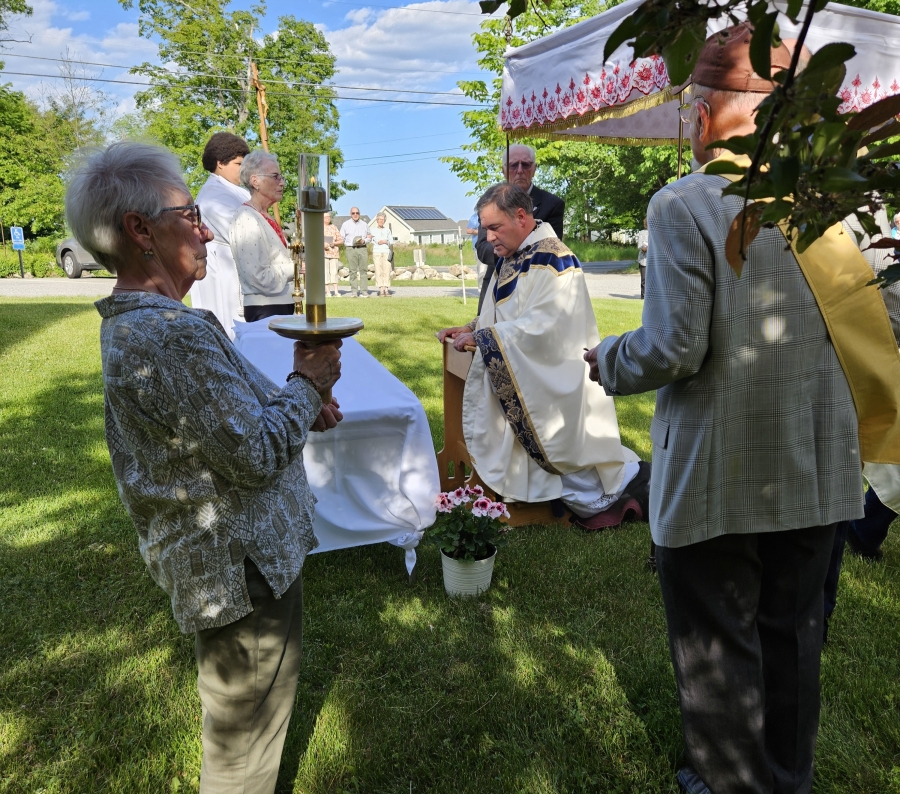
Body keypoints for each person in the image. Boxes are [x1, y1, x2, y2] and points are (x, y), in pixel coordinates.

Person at [587, 23, 900, 794]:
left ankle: (729, 782)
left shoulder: (686, 203)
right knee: (793, 640)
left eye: (693, 103)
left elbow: (672, 350)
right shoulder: (832, 207)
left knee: (719, 649)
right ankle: (787, 779)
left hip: (720, 476)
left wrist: (606, 360)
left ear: (707, 111)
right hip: (820, 466)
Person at [66, 141, 343, 794]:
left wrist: (294, 404)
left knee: (244, 730)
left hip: (226, 567)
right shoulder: (170, 335)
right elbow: (248, 456)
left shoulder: (148, 326)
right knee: (243, 753)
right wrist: (308, 383)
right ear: (140, 231)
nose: (205, 226)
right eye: (189, 213)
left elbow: (225, 425)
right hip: (239, 571)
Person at [437, 182, 648, 527]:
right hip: (523, 366)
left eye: (494, 227)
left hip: (553, 377)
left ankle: (606, 487)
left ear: (521, 216)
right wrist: (472, 327)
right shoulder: (514, 252)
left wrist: (486, 338)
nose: (488, 238)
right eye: (485, 228)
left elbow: (545, 328)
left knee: (571, 468)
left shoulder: (554, 258)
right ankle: (512, 485)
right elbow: (506, 311)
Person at [475, 144, 565, 312]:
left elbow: (552, 250)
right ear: (503, 170)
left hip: (532, 290)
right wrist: (505, 249)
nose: (519, 170)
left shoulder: (552, 204)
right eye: (513, 165)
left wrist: (514, 251)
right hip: (495, 286)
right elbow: (482, 247)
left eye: (526, 164)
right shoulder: (489, 202)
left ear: (535, 168)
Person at [187, 132, 250, 338]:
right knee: (229, 329)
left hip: (234, 269)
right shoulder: (215, 194)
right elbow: (245, 234)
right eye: (239, 164)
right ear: (220, 163)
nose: (245, 170)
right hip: (223, 272)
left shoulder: (235, 190)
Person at [229, 150, 295, 322]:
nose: (282, 183)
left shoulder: (263, 215)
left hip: (279, 306)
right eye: (275, 176)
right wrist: (295, 268)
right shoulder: (246, 218)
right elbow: (258, 277)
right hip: (266, 310)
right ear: (255, 181)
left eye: (281, 177)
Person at [339, 207, 372, 298]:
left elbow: (369, 236)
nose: (355, 214)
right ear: (350, 214)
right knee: (352, 270)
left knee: (363, 270)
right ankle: (354, 291)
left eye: (357, 213)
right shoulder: (345, 224)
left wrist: (364, 241)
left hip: (362, 248)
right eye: (353, 213)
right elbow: (341, 237)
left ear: (359, 214)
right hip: (351, 249)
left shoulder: (365, 224)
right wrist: (348, 243)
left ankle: (364, 291)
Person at [371, 213, 392, 297]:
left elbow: (391, 241)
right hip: (377, 251)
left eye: (382, 220)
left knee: (386, 270)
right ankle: (381, 289)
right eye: (379, 219)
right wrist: (377, 241)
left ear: (384, 221)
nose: (381, 221)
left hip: (386, 251)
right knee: (378, 270)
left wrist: (386, 241)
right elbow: (371, 239)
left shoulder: (387, 230)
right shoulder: (372, 230)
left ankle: (386, 289)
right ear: (377, 220)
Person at [323, 211, 342, 297]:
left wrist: (334, 243)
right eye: (326, 217)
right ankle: (328, 292)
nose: (328, 219)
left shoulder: (334, 227)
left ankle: (336, 291)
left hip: (334, 253)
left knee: (334, 272)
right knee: (325, 272)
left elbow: (341, 240)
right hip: (323, 254)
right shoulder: (319, 227)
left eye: (329, 217)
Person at [635, 217, 648, 299]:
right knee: (644, 280)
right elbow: (641, 247)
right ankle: (643, 297)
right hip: (644, 260)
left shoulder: (657, 233)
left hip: (655, 261)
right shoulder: (642, 233)